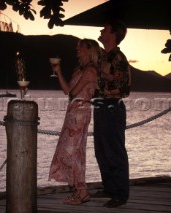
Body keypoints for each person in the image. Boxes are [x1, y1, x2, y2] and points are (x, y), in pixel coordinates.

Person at [48, 39, 101, 205]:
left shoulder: (91, 70)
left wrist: (72, 93)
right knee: (73, 152)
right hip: (72, 112)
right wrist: (59, 72)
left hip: (80, 112)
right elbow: (67, 91)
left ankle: (82, 191)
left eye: (81, 48)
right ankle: (80, 191)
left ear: (89, 50)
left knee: (73, 153)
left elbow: (73, 93)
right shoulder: (80, 69)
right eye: (77, 47)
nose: (77, 50)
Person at [92, 20, 131, 208]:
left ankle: (121, 194)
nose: (101, 30)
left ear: (113, 35)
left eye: (105, 29)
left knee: (115, 151)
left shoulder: (118, 58)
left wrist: (105, 77)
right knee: (101, 150)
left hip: (113, 107)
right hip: (100, 105)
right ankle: (109, 187)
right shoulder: (102, 57)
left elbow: (124, 86)